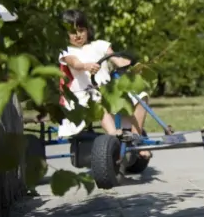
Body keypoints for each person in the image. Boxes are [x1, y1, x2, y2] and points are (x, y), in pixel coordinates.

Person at [56, 9, 151, 159]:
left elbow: (117, 60)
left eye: (81, 30)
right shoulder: (66, 51)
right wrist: (86, 66)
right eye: (73, 32)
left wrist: (131, 64)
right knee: (98, 99)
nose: (78, 35)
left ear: (87, 30)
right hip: (81, 94)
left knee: (141, 96)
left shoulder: (100, 45)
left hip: (107, 89)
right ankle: (113, 137)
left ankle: (136, 138)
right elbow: (75, 63)